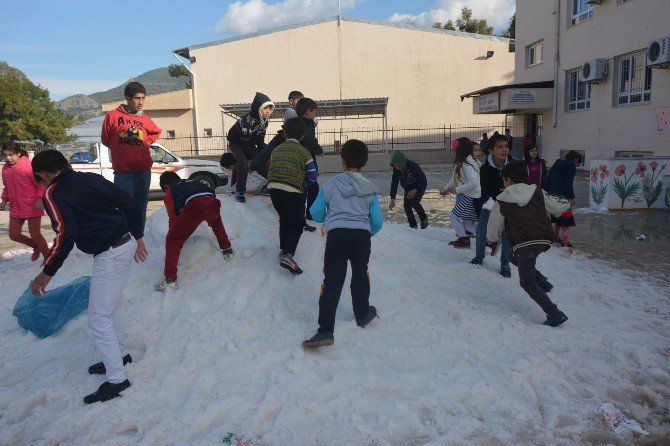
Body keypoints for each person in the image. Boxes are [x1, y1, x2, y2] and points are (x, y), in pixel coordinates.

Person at [30, 149, 148, 404]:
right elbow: (129, 202)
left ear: (42, 174)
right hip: (123, 244)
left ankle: (118, 379)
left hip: (110, 253)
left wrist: (47, 272)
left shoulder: (54, 192)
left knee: (98, 317)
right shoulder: (89, 178)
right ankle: (122, 356)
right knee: (108, 308)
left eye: (39, 180)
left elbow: (66, 233)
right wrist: (138, 236)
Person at [302, 139, 383, 348]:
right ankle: (362, 314)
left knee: (332, 280)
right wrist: (369, 232)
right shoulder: (370, 188)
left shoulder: (330, 185)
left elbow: (316, 212)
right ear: (364, 163)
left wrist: (331, 219)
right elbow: (377, 221)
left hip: (337, 236)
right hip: (361, 237)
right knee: (360, 275)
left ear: (342, 161)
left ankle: (325, 331)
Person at [487, 160, 570, 327]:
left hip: (525, 243)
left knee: (526, 282)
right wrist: (567, 202)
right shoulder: (537, 192)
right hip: (544, 239)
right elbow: (558, 207)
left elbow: (493, 226)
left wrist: (492, 240)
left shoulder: (502, 200)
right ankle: (542, 281)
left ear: (508, 180)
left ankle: (554, 313)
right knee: (512, 256)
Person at [155, 171, 234, 292]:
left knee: (172, 240)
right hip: (212, 200)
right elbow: (209, 194)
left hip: (195, 205)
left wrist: (175, 234)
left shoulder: (171, 190)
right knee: (216, 222)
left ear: (166, 186)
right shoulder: (191, 182)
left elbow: (173, 218)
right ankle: (227, 249)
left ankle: (170, 280)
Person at [101, 81, 162, 233]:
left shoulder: (145, 119)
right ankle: (125, 238)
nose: (140, 102)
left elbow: (156, 132)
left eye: (143, 98)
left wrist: (147, 141)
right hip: (123, 173)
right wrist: (121, 149)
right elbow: (105, 139)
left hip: (143, 171)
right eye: (137, 98)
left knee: (141, 207)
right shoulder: (113, 116)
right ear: (127, 98)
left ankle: (138, 237)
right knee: (124, 207)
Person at [267, 118, 317, 274]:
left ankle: (283, 249)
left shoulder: (276, 150)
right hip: (293, 191)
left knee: (284, 219)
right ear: (302, 136)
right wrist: (303, 185)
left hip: (274, 189)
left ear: (285, 134)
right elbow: (313, 175)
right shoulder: (304, 151)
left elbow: (270, 169)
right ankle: (288, 255)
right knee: (297, 223)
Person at [470, 133, 513, 277]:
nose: (504, 150)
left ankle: (505, 264)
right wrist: (501, 193)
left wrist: (510, 190)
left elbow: (521, 185)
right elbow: (485, 191)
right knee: (481, 229)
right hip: (491, 204)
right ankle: (479, 257)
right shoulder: (485, 169)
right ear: (491, 150)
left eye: (506, 146)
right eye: (499, 147)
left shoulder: (514, 164)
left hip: (510, 206)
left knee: (507, 233)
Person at [1, 141, 50, 261]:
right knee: (14, 235)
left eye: (11, 155)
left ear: (18, 154)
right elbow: (7, 187)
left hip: (32, 205)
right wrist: (4, 200)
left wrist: (39, 199)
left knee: (36, 235)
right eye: (5, 155)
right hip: (16, 206)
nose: (8, 158)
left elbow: (40, 185)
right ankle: (35, 247)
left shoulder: (29, 167)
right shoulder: (6, 169)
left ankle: (49, 257)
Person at [226, 92, 274, 203]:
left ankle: (266, 186)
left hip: (249, 143)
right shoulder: (247, 121)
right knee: (242, 163)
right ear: (258, 108)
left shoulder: (264, 123)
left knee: (262, 159)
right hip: (236, 143)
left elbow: (260, 141)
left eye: (270, 108)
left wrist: (264, 155)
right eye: (265, 108)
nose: (268, 111)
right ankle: (240, 192)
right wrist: (250, 159)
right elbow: (244, 144)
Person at [440, 138, 481, 248]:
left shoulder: (467, 164)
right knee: (468, 224)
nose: (453, 152)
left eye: (454, 150)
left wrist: (457, 189)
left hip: (471, 197)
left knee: (453, 216)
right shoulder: (461, 163)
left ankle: (465, 240)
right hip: (470, 196)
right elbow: (455, 179)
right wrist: (445, 189)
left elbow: (474, 182)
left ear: (461, 150)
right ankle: (489, 237)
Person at [296, 97, 324, 231]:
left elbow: (312, 140)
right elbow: (309, 141)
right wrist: (319, 150)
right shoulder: (303, 124)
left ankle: (307, 214)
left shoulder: (308, 123)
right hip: (304, 163)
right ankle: (303, 217)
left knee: (311, 189)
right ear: (308, 112)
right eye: (314, 112)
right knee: (307, 190)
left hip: (308, 161)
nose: (315, 114)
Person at [544, 150, 582, 248]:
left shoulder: (557, 164)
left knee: (558, 217)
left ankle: (555, 238)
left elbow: (548, 178)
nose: (577, 166)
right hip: (563, 196)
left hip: (553, 195)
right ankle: (565, 242)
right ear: (576, 159)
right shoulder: (571, 166)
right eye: (578, 164)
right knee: (566, 220)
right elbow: (568, 183)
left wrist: (547, 193)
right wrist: (572, 197)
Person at [389, 151, 428, 229]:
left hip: (418, 187)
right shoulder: (396, 169)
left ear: (403, 163)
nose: (397, 168)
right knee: (406, 206)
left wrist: (415, 190)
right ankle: (413, 225)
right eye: (395, 166)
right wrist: (392, 199)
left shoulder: (413, 166)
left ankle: (424, 218)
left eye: (399, 166)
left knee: (414, 202)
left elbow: (423, 180)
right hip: (408, 188)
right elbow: (394, 183)